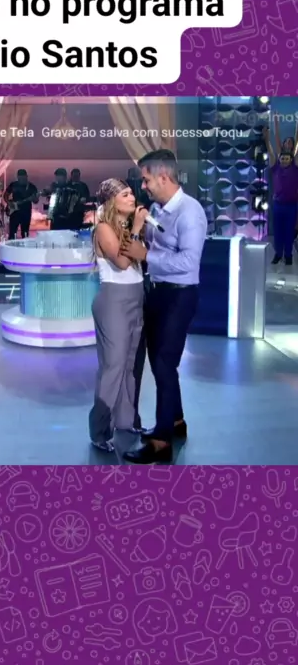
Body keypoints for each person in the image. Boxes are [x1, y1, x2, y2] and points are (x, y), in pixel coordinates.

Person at [121, 149, 207, 465]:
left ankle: (161, 441)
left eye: (146, 180)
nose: (143, 186)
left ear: (164, 177)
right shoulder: (158, 208)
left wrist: (146, 256)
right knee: (161, 364)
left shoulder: (190, 212)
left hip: (179, 296)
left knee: (164, 363)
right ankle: (176, 421)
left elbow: (189, 261)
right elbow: (155, 242)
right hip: (157, 292)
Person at [89, 178, 148, 453]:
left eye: (131, 193)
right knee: (113, 366)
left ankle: (126, 420)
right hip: (113, 300)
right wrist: (136, 230)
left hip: (137, 297)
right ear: (111, 201)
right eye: (125, 194)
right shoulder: (103, 228)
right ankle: (100, 431)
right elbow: (123, 262)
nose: (132, 198)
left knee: (130, 364)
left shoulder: (128, 226)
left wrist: (137, 229)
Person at [263, 123, 298, 266]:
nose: (284, 160)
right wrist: (266, 140)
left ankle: (288, 255)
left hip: (292, 206)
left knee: (289, 232)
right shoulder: (275, 167)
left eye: (287, 159)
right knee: (278, 231)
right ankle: (278, 254)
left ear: (291, 159)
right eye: (282, 159)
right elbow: (271, 151)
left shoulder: (295, 168)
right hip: (278, 205)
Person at [4, 169, 39, 239]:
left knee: (25, 234)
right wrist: (9, 203)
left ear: (26, 177)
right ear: (17, 177)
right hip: (14, 212)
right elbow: (5, 195)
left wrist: (34, 198)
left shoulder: (31, 187)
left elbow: (36, 201)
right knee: (12, 233)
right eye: (20, 178)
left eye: (23, 178)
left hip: (26, 212)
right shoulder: (13, 185)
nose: (21, 180)